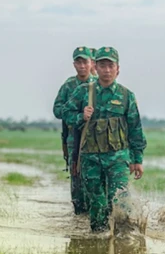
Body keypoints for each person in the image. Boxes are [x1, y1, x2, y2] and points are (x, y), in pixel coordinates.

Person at [63, 46, 147, 233]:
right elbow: (64, 112)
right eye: (102, 65)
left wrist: (137, 160)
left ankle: (122, 239)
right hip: (91, 158)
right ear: (96, 67)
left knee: (119, 200)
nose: (107, 70)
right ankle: (99, 244)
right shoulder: (84, 92)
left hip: (118, 158)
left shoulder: (126, 96)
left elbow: (135, 129)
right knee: (97, 204)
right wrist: (80, 117)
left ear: (118, 69)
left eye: (110, 65)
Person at [53, 46, 97, 214]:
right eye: (78, 62)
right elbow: (57, 111)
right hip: (73, 138)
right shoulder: (68, 86)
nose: (82, 66)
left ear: (91, 63)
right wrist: (77, 114)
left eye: (84, 62)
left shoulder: (98, 84)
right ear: (74, 65)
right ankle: (79, 213)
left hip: (96, 139)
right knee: (77, 175)